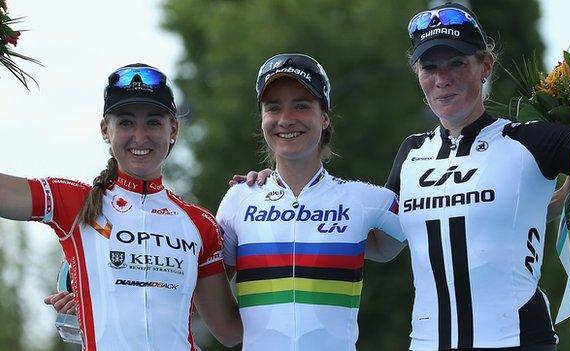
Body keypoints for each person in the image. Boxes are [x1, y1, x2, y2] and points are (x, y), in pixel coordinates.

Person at [384, 2, 570, 350]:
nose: (442, 79)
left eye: (456, 63)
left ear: (486, 65)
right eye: (429, 67)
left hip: (519, 341)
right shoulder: (410, 153)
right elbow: (382, 245)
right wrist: (282, 191)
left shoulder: (532, 140)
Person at [0, 63, 242, 350]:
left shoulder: (200, 224)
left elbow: (230, 331)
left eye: (153, 122)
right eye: (126, 122)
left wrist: (270, 188)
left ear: (173, 128)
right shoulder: (75, 202)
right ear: (106, 130)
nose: (140, 136)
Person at [216, 53, 406, 351]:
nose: (286, 119)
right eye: (273, 108)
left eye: (302, 105)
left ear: (325, 116)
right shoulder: (238, 200)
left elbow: (407, 248)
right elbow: (209, 299)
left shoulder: (369, 201)